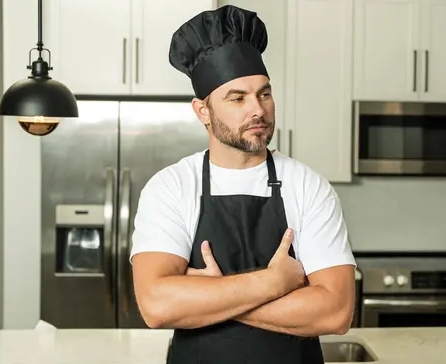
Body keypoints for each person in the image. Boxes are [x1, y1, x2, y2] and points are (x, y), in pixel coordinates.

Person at [129, 5, 356, 364]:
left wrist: (209, 295)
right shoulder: (172, 187)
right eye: (237, 98)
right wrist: (273, 283)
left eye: (264, 94)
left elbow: (335, 312)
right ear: (203, 111)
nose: (258, 110)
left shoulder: (308, 186)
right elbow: (157, 306)